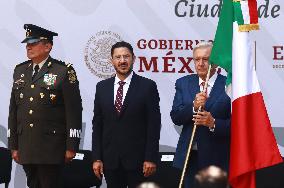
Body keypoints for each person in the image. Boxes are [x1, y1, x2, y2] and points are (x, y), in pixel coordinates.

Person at [8, 24, 82, 188]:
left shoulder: (63, 71)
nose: (29, 47)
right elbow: (13, 111)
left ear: (48, 46)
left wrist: (72, 146)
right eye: (27, 43)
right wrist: (13, 145)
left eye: (33, 43)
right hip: (26, 147)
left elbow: (74, 111)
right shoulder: (19, 71)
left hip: (52, 148)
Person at [92, 41, 161, 188]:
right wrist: (97, 158)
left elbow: (154, 125)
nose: (122, 61)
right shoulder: (102, 87)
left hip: (139, 162)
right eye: (118, 57)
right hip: (110, 161)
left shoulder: (147, 86)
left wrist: (150, 158)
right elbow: (97, 125)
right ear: (112, 61)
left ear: (133, 59)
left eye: (126, 56)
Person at [170, 41, 231, 188]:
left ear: (215, 63)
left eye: (206, 59)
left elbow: (240, 124)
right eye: (197, 59)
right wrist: (193, 106)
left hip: (218, 156)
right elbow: (176, 117)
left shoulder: (230, 85)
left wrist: (213, 123)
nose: (201, 63)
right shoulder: (183, 83)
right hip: (190, 156)